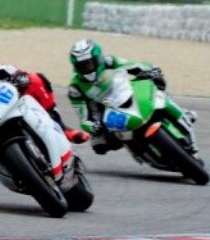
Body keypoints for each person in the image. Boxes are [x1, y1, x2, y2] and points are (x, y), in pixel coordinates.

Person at [68, 39, 197, 155]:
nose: (87, 69)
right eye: (82, 66)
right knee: (100, 145)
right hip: (102, 111)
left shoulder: (109, 61)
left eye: (89, 64)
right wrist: (93, 127)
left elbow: (133, 65)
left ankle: (181, 112)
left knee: (157, 86)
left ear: (98, 59)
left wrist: (150, 70)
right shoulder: (75, 87)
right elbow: (83, 117)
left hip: (122, 93)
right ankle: (135, 147)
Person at [0, 63, 89, 144]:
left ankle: (61, 128)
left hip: (11, 100)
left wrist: (16, 79)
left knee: (36, 80)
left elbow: (14, 71)